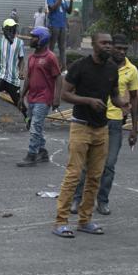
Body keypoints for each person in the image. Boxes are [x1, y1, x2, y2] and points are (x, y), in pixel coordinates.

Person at [51, 32, 123, 238]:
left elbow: (115, 96)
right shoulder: (79, 66)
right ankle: (60, 221)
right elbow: (65, 94)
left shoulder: (112, 69)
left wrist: (124, 104)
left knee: (94, 177)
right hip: (81, 126)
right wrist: (88, 101)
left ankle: (85, 220)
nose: (109, 46)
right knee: (74, 175)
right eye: (104, 43)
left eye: (111, 43)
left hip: (102, 128)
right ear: (94, 45)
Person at [70, 35, 138, 213]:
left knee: (108, 165)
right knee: (85, 164)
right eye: (118, 47)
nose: (121, 51)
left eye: (125, 49)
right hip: (92, 120)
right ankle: (77, 200)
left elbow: (133, 98)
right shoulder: (99, 66)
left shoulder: (131, 70)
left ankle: (102, 200)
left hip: (115, 123)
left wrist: (134, 128)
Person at [16, 26, 62, 167]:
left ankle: (32, 155)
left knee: (36, 125)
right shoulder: (32, 58)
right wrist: (22, 95)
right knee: (33, 125)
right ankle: (42, 151)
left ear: (42, 39)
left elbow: (58, 78)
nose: (31, 39)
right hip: (32, 97)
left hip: (44, 98)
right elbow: (29, 79)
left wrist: (56, 98)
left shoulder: (50, 58)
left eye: (34, 37)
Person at [0, 18, 28, 136]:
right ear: (4, 30)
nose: (13, 31)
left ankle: (27, 117)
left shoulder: (19, 43)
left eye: (14, 29)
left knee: (17, 100)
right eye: (10, 29)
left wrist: (21, 71)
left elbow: (22, 59)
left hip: (12, 77)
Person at [46, 0, 73, 67]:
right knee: (51, 47)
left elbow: (69, 11)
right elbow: (52, 8)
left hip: (63, 26)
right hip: (54, 26)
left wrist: (71, 1)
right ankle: (48, 66)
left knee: (62, 48)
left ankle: (64, 67)